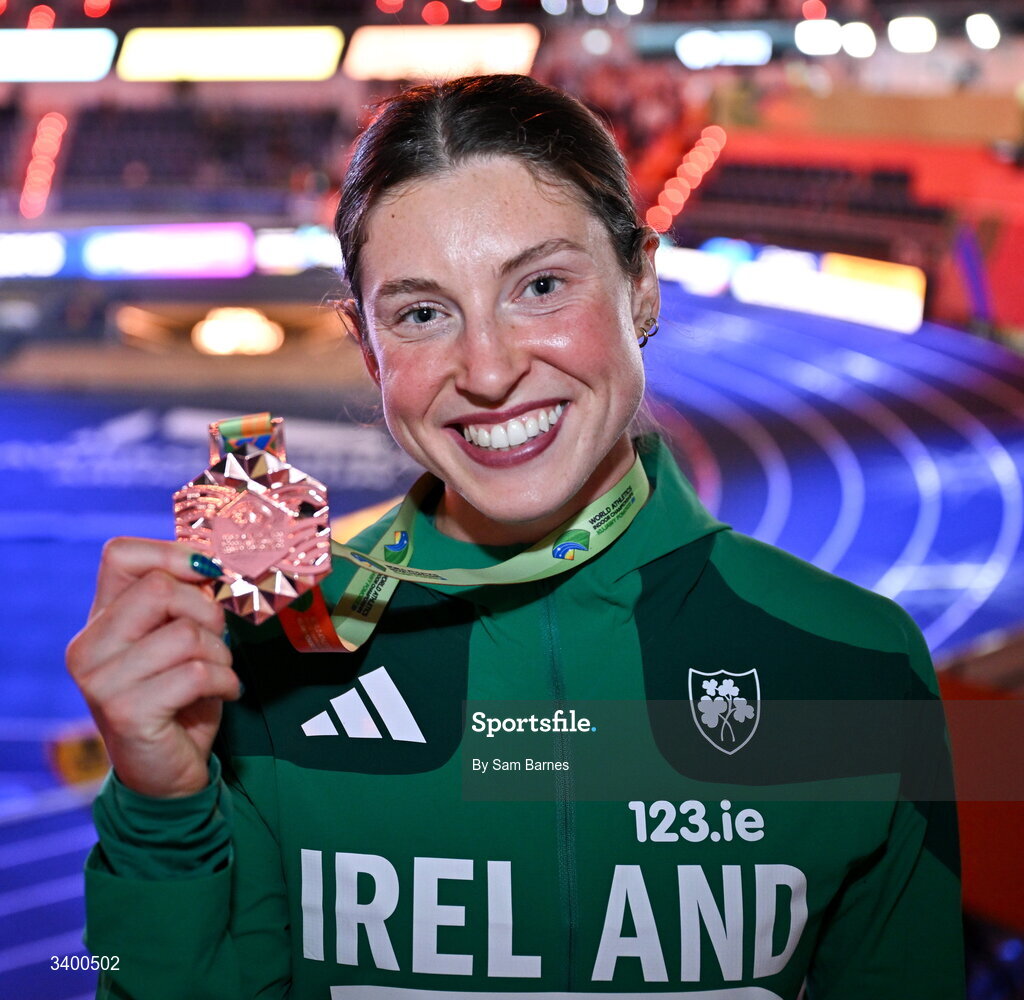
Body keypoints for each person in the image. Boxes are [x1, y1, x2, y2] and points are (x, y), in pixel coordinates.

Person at [68, 74, 964, 998]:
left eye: (540, 286)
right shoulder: (265, 656)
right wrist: (162, 812)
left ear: (641, 284)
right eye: (421, 313)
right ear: (368, 348)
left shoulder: (854, 660)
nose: (488, 371)